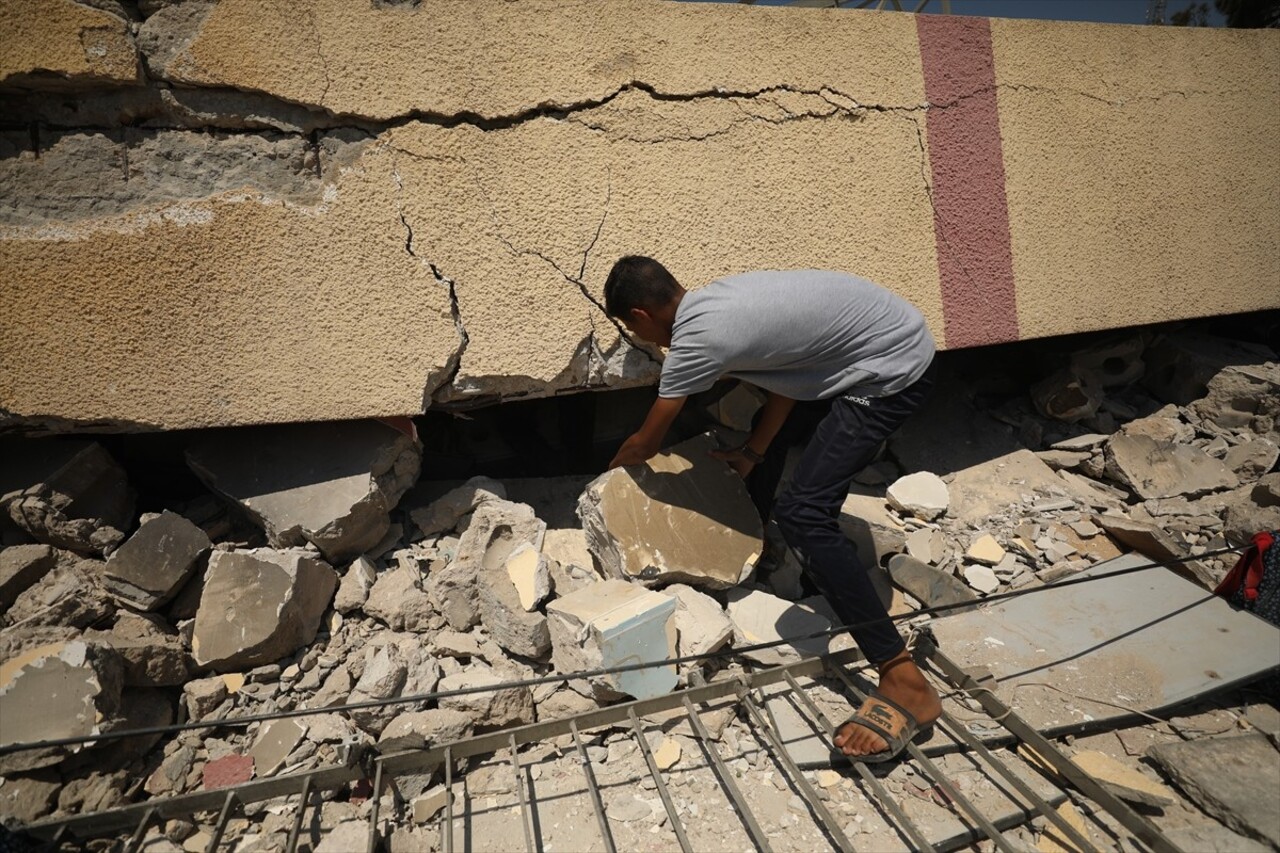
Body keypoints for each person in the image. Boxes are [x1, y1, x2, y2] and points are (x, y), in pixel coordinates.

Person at [604, 255, 942, 762]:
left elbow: (645, 444)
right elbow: (787, 382)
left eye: (633, 328)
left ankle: (902, 677)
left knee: (805, 514)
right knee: (780, 470)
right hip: (886, 335)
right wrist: (754, 452)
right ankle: (764, 530)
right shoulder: (714, 303)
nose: (644, 340)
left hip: (891, 367)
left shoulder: (696, 343)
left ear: (641, 313)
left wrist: (604, 487)